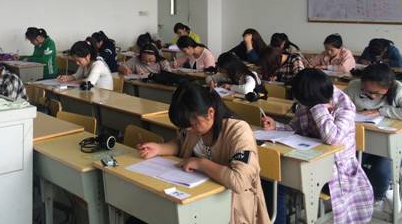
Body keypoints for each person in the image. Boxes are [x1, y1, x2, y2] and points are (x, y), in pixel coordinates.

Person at [138, 83, 269, 223]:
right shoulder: (194, 127)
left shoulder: (238, 131)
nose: (188, 130)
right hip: (197, 197)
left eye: (192, 125)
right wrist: (159, 148)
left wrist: (201, 164)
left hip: (231, 207)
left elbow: (239, 181)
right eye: (185, 127)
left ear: (210, 113)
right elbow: (180, 143)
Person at [261, 69, 374, 223]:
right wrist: (276, 126)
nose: (302, 105)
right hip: (308, 161)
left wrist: (318, 108)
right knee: (272, 180)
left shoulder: (344, 106)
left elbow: (333, 138)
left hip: (337, 171)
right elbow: (295, 128)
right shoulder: (308, 100)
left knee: (278, 183)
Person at [345, 64, 402, 212]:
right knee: (348, 163)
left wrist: (381, 111)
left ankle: (382, 192)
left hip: (391, 141)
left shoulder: (398, 90)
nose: (371, 95)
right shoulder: (354, 86)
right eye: (365, 90)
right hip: (360, 138)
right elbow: (342, 106)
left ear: (387, 88)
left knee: (381, 169)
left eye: (375, 92)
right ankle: (357, 193)